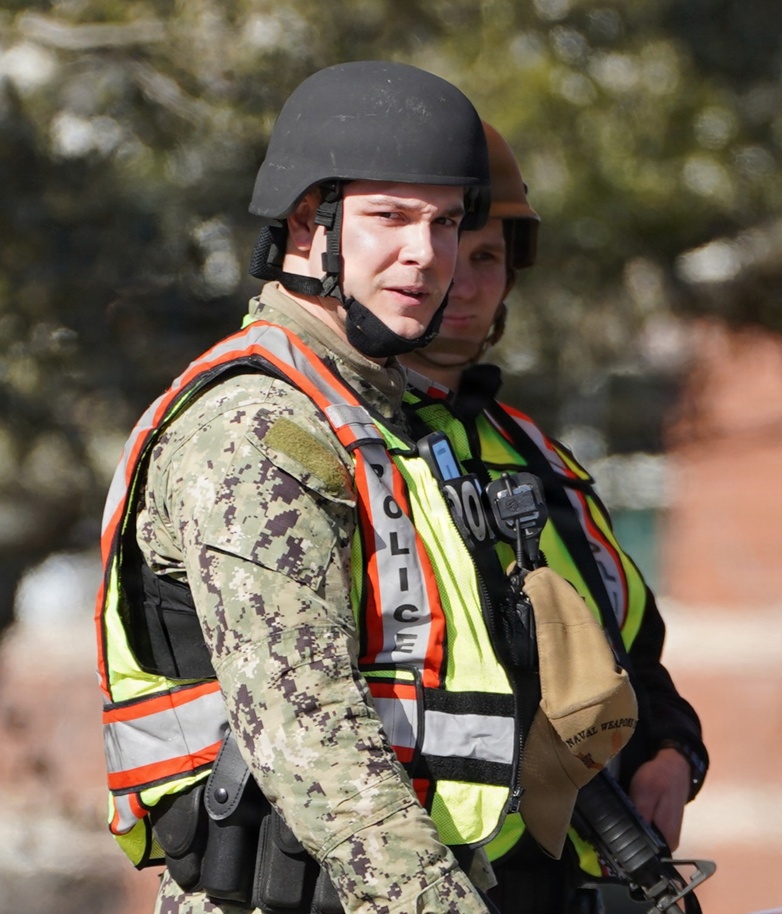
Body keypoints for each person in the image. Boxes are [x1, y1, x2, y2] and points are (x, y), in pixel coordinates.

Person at [94, 62, 532, 914]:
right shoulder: (259, 427)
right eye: (390, 218)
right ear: (307, 225)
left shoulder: (382, 416)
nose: (426, 254)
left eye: (446, 223)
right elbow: (312, 735)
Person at [400, 124, 709, 913]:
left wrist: (674, 751)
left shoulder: (540, 458)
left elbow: (628, 651)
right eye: (451, 252)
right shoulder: (352, 446)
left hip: (559, 880)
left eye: (488, 259)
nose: (462, 283)